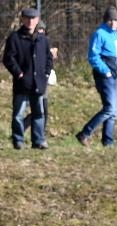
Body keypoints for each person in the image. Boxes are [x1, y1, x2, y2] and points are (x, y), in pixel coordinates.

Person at [3, 7, 53, 150]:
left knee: (39, 113)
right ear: (23, 20)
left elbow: (49, 58)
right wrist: (19, 74)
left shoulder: (43, 39)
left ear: (37, 20)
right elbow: (8, 58)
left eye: (33, 19)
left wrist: (46, 74)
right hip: (22, 84)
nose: (30, 21)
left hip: (39, 83)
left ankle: (38, 140)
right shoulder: (15, 37)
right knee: (19, 114)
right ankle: (18, 140)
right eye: (28, 18)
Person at [75, 6, 117, 147]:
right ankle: (85, 133)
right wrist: (106, 71)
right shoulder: (99, 34)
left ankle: (108, 142)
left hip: (113, 74)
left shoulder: (115, 34)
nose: (113, 23)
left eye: (116, 20)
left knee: (113, 112)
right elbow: (93, 56)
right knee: (109, 108)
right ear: (105, 20)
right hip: (104, 76)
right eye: (110, 20)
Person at [24, 20, 57, 132]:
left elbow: (48, 61)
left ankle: (38, 132)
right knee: (40, 109)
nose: (41, 32)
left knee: (42, 109)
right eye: (39, 30)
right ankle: (29, 130)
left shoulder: (46, 42)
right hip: (33, 80)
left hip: (43, 80)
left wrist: (51, 59)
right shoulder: (30, 43)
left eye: (43, 30)